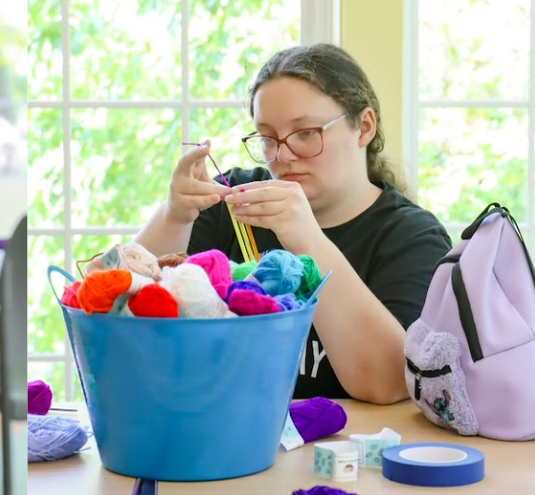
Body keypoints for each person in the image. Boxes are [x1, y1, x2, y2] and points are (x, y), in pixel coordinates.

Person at [133, 43, 451, 405]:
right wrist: (174, 214)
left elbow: (389, 383)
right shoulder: (233, 202)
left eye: (306, 133)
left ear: (364, 127)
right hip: (226, 430)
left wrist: (309, 241)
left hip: (346, 440)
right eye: (268, 138)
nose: (282, 155)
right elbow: (121, 312)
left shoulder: (413, 238)